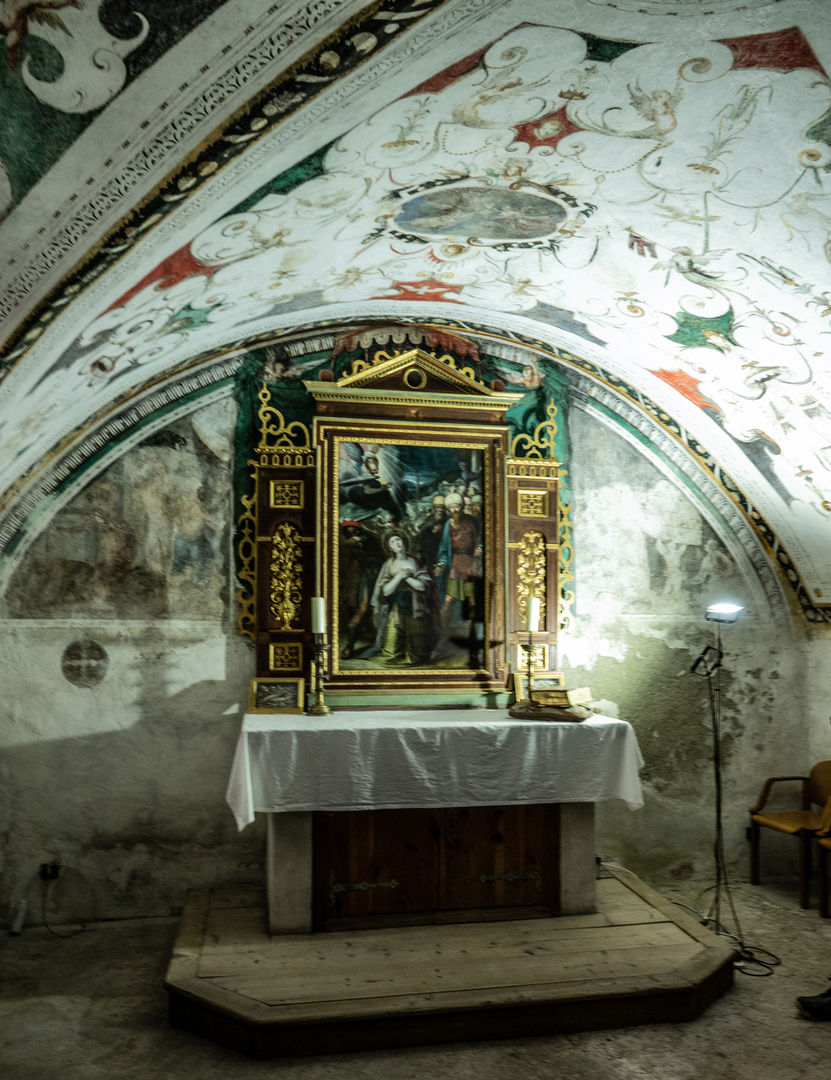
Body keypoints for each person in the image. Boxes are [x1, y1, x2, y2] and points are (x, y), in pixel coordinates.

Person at [363, 530, 440, 665]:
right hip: (396, 610)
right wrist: (399, 576)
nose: (396, 543)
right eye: (392, 542)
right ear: (390, 547)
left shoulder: (416, 562)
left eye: (398, 539)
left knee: (418, 654)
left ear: (404, 542)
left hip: (417, 608)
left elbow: (422, 587)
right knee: (390, 653)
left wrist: (407, 577)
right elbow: (386, 591)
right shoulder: (388, 564)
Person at [338, 520, 384, 658]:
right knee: (362, 609)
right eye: (347, 531)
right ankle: (349, 646)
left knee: (383, 608)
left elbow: (344, 544)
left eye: (354, 530)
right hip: (367, 574)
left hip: (381, 572)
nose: (352, 533)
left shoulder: (366, 537)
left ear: (359, 530)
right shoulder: (352, 544)